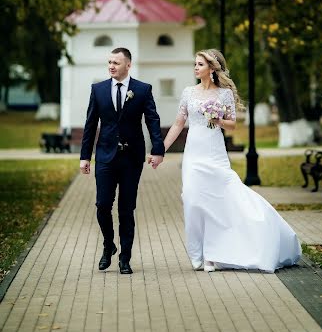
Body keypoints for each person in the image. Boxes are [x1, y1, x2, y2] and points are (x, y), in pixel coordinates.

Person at [148, 48, 301, 273]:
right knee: (192, 198)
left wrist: (217, 118)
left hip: (215, 152)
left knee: (219, 198)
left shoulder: (224, 94)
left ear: (212, 68)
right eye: (195, 64)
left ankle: (214, 254)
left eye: (200, 64)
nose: (195, 68)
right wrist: (160, 150)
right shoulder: (188, 92)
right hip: (193, 153)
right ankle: (197, 253)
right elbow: (179, 124)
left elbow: (232, 124)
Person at [80, 47, 164, 275]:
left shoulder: (142, 89)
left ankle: (125, 258)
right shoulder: (97, 90)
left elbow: (153, 121)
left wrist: (158, 149)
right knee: (103, 206)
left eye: (116, 62)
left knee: (126, 210)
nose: (111, 66)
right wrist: (85, 156)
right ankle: (109, 245)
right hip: (105, 158)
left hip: (131, 159)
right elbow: (90, 124)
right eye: (109, 62)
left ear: (128, 65)